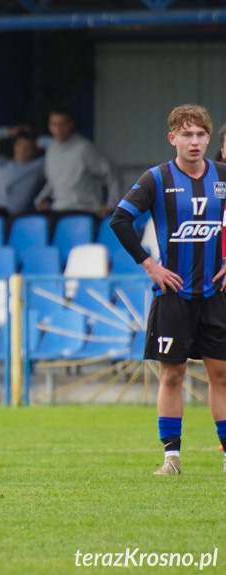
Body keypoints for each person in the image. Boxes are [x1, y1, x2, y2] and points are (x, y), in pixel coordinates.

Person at [110, 104, 226, 476]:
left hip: (215, 294)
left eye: (200, 134)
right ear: (172, 138)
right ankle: (171, 459)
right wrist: (149, 264)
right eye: (186, 135)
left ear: (209, 138)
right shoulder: (156, 178)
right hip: (173, 294)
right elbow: (120, 219)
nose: (194, 142)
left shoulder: (223, 176)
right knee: (172, 375)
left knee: (221, 374)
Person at [34, 107, 122, 219]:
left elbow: (112, 172)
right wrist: (42, 200)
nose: (58, 129)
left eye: (63, 124)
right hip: (58, 209)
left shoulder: (84, 148)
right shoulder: (51, 150)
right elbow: (53, 182)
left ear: (71, 125)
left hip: (83, 210)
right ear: (49, 127)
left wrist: (111, 205)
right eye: (54, 124)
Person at [0, 124, 52, 219]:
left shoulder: (37, 167)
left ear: (35, 150)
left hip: (6, 214)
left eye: (27, 148)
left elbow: (57, 146)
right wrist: (9, 132)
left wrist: (39, 141)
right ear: (14, 146)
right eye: (19, 145)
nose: (22, 150)